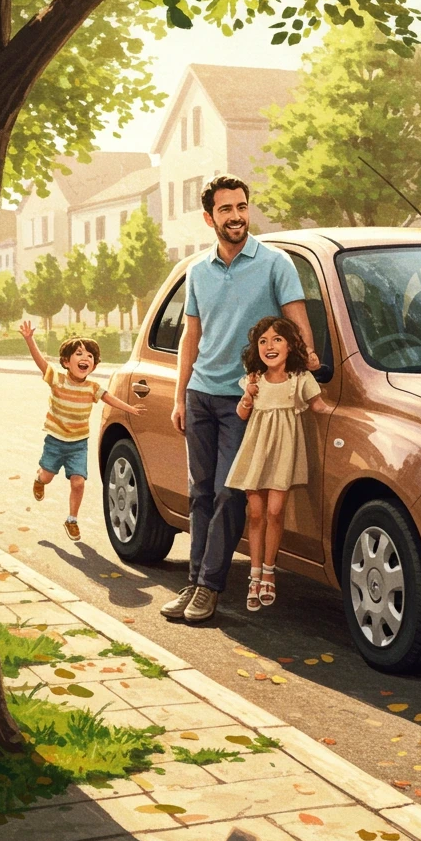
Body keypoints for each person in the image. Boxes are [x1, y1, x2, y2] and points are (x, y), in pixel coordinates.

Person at [164, 175, 321, 623]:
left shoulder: (276, 264)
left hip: (245, 398)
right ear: (209, 217)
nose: (236, 216)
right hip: (199, 396)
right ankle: (193, 581)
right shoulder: (198, 271)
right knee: (199, 493)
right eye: (226, 209)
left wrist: (304, 364)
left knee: (228, 494)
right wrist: (180, 397)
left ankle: (209, 586)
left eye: (242, 207)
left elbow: (296, 323)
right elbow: (191, 338)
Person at [225, 316, 328, 610]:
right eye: (263, 341)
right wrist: (247, 396)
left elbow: (320, 406)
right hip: (256, 451)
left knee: (275, 510)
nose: (269, 346)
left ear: (290, 345)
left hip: (283, 452)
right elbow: (242, 414)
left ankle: (270, 570)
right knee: (255, 513)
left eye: (277, 340)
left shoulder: (299, 379)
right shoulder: (254, 378)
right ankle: (254, 575)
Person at [19, 324, 146, 542]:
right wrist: (30, 340)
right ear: (66, 362)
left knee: (78, 482)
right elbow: (41, 363)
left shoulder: (92, 387)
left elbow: (109, 399)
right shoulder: (57, 379)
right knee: (47, 476)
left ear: (94, 365)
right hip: (55, 441)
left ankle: (72, 520)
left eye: (89, 356)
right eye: (78, 354)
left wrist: (130, 409)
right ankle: (39, 479)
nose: (84, 358)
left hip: (78, 444)